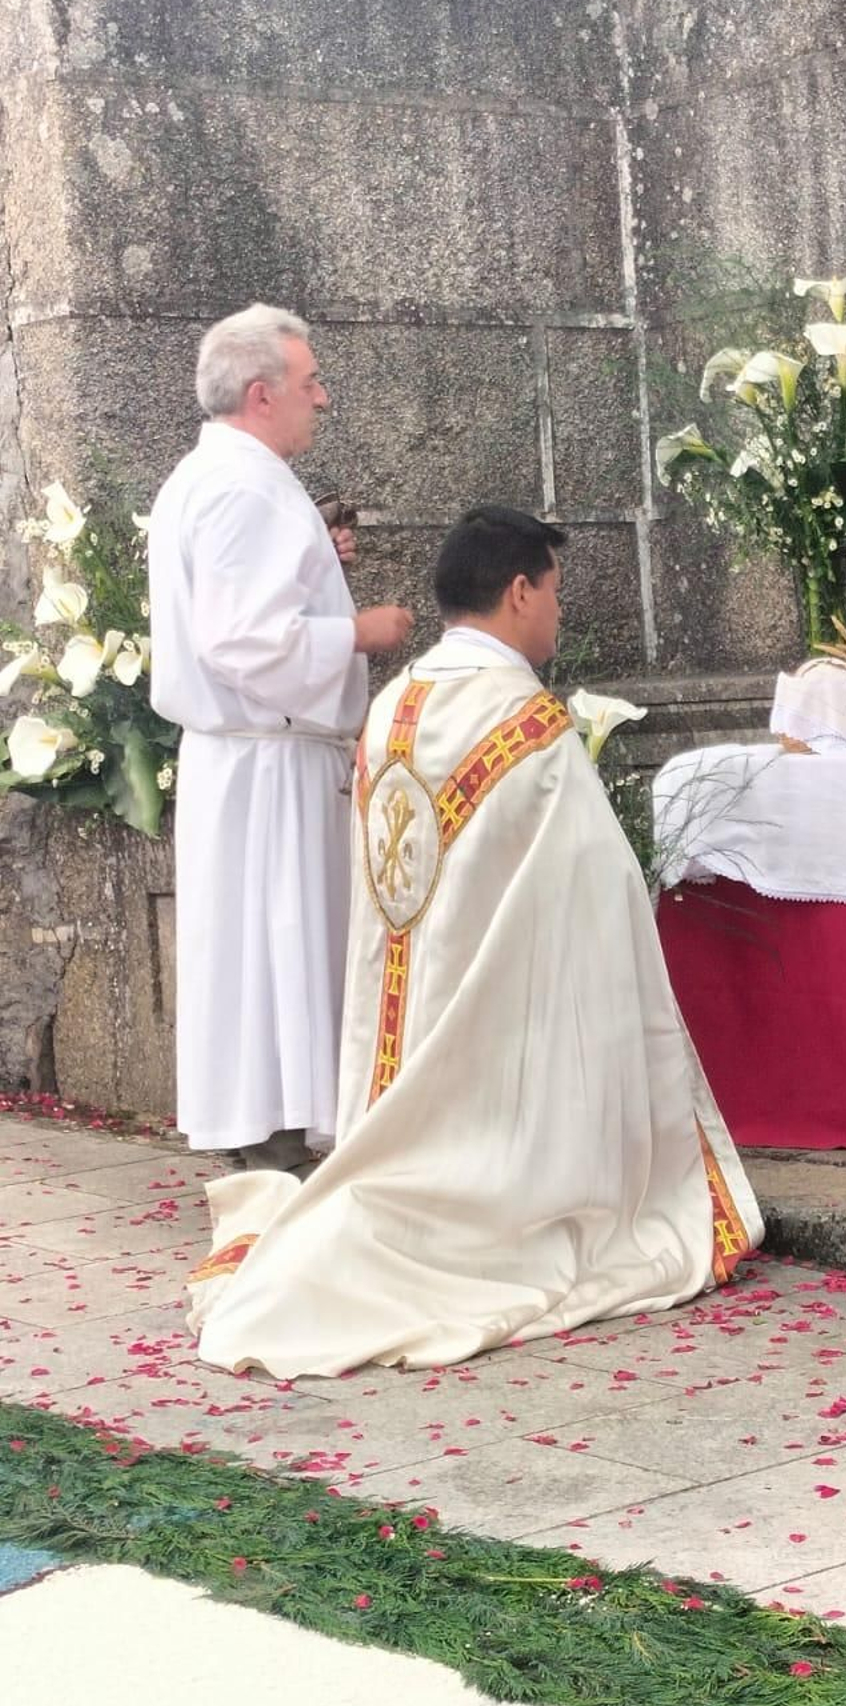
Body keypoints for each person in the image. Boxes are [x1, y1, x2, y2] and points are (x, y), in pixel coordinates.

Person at [186, 505, 762, 1377]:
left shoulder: (391, 708)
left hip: (401, 1031)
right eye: (555, 591)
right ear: (519, 590)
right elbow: (600, 891)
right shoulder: (524, 723)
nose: (559, 611)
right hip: (494, 1055)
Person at [147, 305, 414, 1172]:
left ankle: (271, 1130)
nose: (322, 398)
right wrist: (358, 631)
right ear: (261, 394)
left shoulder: (217, 475)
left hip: (252, 754)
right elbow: (243, 640)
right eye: (310, 382)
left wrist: (320, 572)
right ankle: (277, 1135)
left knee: (257, 943)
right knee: (276, 938)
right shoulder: (244, 486)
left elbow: (248, 607)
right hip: (267, 758)